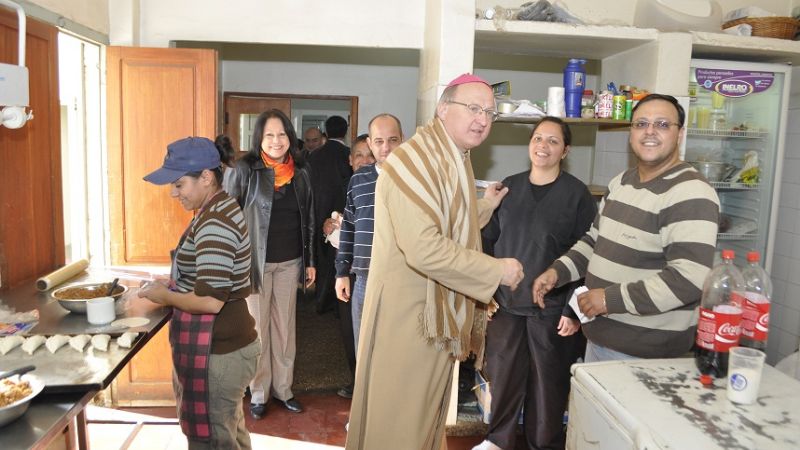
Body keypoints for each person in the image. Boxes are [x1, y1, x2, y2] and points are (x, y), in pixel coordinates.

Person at [345, 74, 525, 450]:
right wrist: (496, 270)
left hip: (428, 314)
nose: (482, 119)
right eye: (473, 108)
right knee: (400, 424)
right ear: (443, 109)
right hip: (408, 317)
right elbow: (424, 247)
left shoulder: (450, 156)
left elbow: (449, 220)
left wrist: (485, 207)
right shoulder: (413, 162)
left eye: (490, 112)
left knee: (423, 419)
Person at [533, 94, 720, 362]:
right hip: (599, 339)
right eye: (641, 124)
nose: (650, 131)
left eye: (662, 124)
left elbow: (690, 279)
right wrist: (558, 271)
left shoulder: (691, 192)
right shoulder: (621, 182)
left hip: (647, 353)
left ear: (680, 134)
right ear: (630, 133)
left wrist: (609, 300)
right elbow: (594, 241)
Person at [475, 117, 596, 450]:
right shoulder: (507, 189)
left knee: (548, 388)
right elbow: (487, 243)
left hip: (553, 310)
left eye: (553, 141)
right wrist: (485, 294)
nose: (543, 146)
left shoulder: (577, 195)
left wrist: (573, 310)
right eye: (538, 138)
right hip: (506, 306)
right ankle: (497, 441)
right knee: (503, 379)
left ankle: (543, 445)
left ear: (565, 150)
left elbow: (588, 254)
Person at [139, 136, 259, 449]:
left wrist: (165, 296)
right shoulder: (217, 207)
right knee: (230, 434)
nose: (173, 193)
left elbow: (210, 301)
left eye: (179, 184)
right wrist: (174, 283)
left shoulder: (215, 221)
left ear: (206, 177)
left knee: (214, 441)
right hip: (227, 346)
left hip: (220, 353)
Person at [223, 109, 316, 419]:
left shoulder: (300, 172)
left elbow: (309, 218)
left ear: (290, 137)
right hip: (254, 264)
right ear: (259, 139)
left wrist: (311, 261)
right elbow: (227, 217)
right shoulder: (244, 170)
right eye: (269, 135)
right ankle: (260, 393)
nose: (277, 141)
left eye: (282, 134)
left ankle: (284, 390)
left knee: (285, 329)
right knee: (258, 331)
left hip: (291, 262)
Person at [333, 116, 403, 399]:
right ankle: (365, 410)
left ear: (402, 140)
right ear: (370, 145)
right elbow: (349, 227)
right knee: (364, 349)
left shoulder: (413, 180)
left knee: (395, 351)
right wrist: (341, 272)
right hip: (363, 278)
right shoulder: (358, 180)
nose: (386, 147)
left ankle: (392, 409)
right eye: (379, 141)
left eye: (392, 140)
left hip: (401, 280)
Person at [327, 133, 375, 399]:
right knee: (350, 328)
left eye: (370, 155)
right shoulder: (343, 186)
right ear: (350, 159)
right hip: (345, 268)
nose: (365, 160)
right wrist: (326, 224)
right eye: (359, 155)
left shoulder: (387, 184)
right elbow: (325, 218)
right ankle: (356, 380)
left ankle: (371, 389)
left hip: (374, 268)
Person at [308, 115, 353, 315]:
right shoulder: (349, 154)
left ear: (326, 132)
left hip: (319, 211)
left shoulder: (315, 156)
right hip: (345, 213)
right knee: (344, 257)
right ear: (346, 131)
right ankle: (340, 300)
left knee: (322, 258)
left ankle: (321, 299)